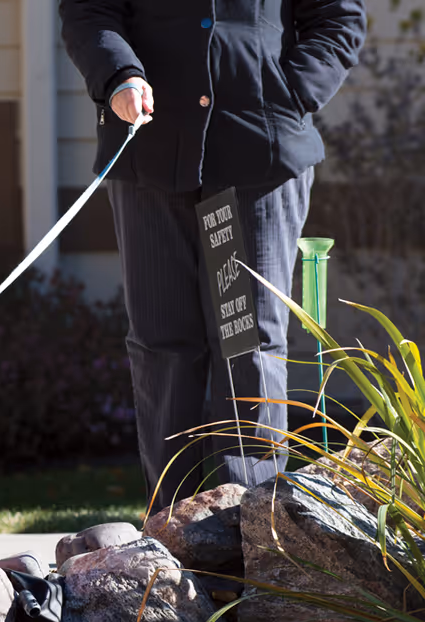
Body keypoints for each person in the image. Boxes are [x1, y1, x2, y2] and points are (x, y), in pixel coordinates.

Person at [59, 0, 367, 511]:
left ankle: (252, 525)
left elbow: (337, 18)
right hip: (152, 161)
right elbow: (90, 13)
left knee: (242, 341)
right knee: (163, 344)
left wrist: (289, 93)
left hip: (251, 161)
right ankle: (170, 525)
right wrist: (119, 76)